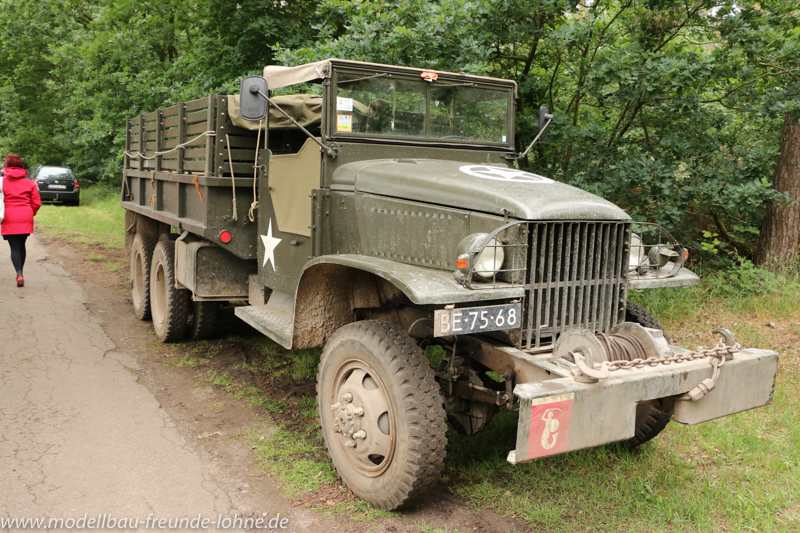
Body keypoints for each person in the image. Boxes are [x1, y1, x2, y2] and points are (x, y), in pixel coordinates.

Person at [1, 154, 41, 287]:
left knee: (14, 247)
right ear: (21, 166)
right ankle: (20, 273)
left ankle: (19, 274)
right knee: (22, 244)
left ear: (6, 165)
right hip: (25, 215)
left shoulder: (2, 182)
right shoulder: (29, 183)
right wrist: (30, 213)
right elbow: (36, 203)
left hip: (9, 215)